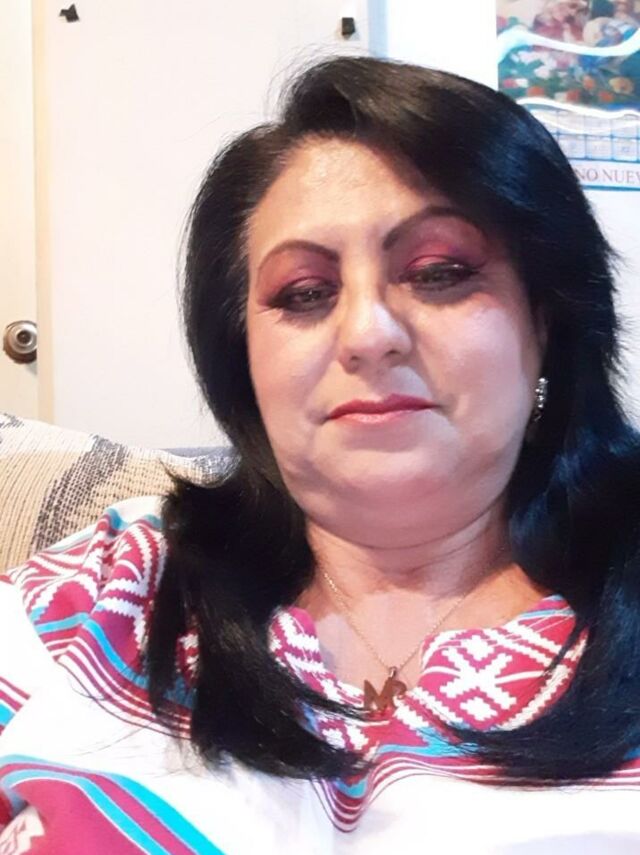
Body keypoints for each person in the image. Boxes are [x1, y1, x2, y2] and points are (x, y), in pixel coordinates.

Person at [1, 55, 640, 854]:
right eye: (304, 293)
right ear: (243, 355)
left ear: (545, 318)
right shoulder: (110, 590)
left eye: (440, 273)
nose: (368, 333)